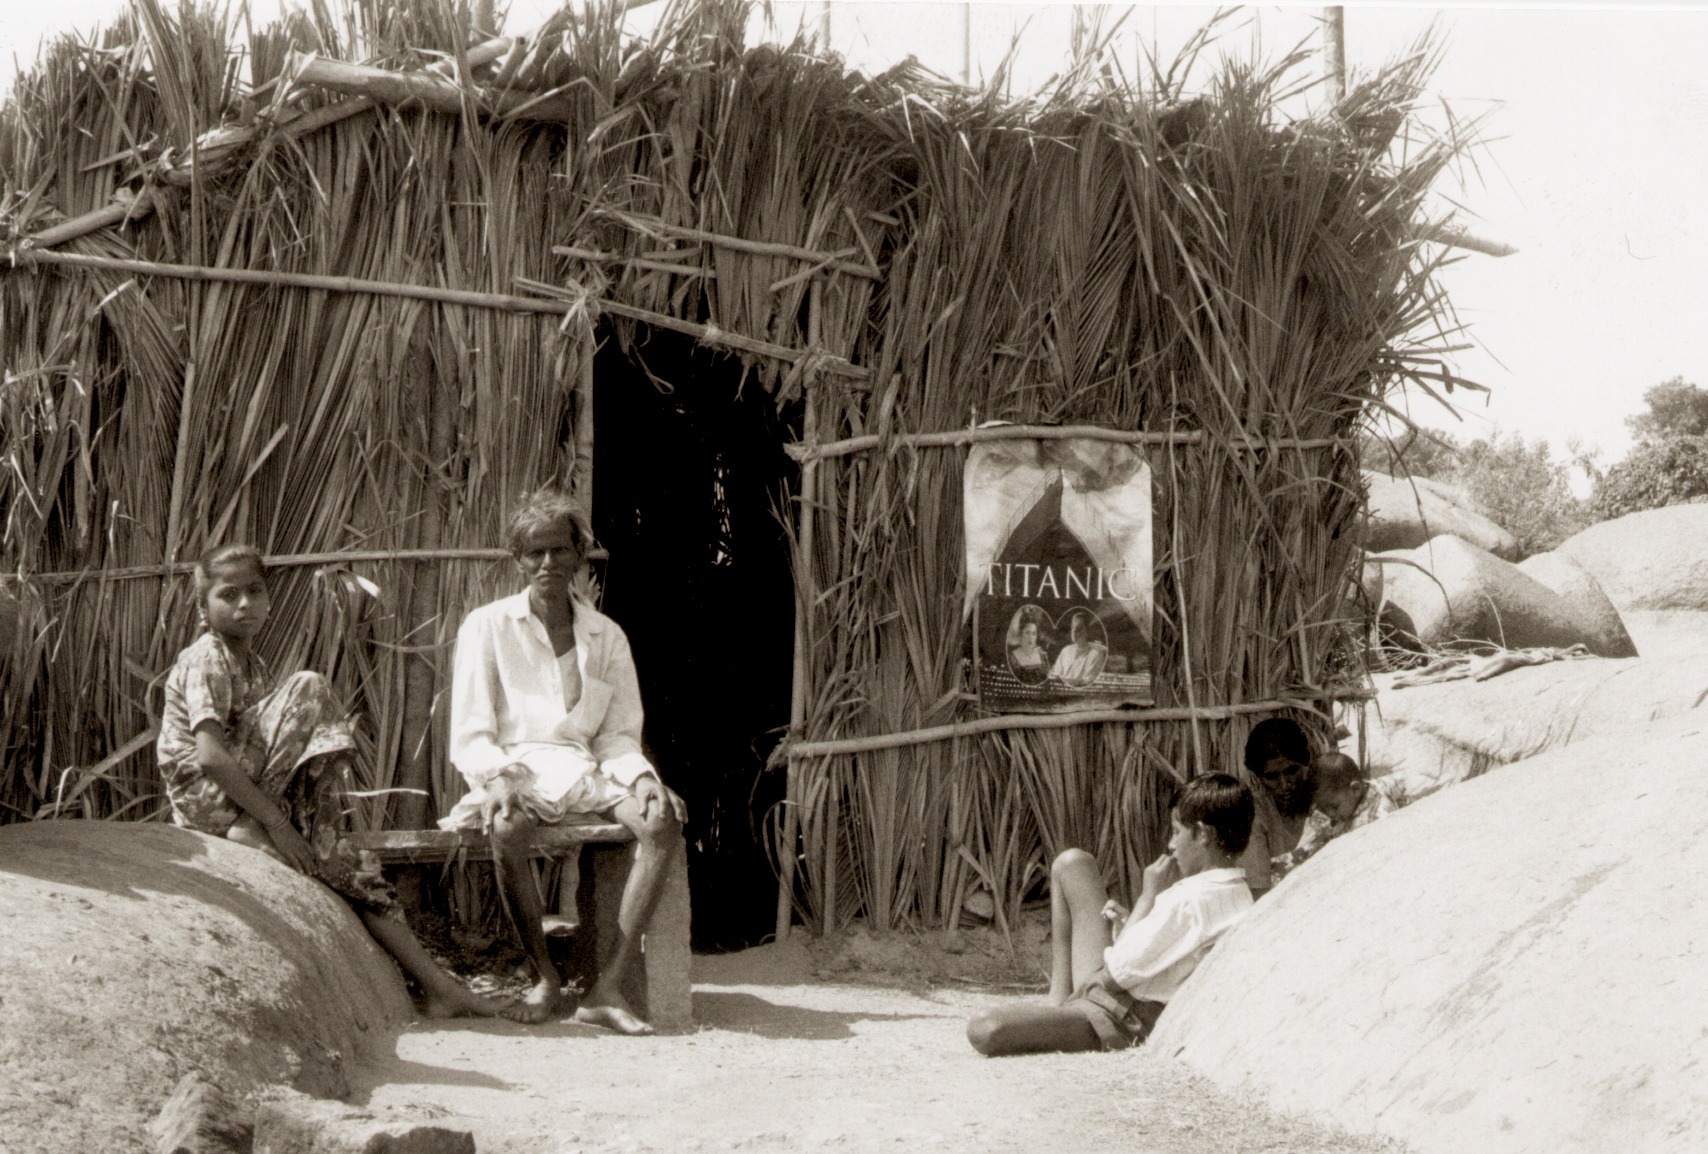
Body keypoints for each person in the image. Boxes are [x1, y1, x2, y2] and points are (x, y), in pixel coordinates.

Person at [156, 544, 506, 1020]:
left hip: (245, 790)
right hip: (206, 795)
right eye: (228, 595)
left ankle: (438, 986)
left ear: (270, 598)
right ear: (204, 607)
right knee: (309, 687)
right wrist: (276, 824)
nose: (244, 605)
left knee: (345, 868)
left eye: (255, 592)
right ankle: (243, 825)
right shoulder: (206, 658)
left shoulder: (252, 664)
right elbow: (211, 757)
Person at [446, 489, 687, 1033]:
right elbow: (471, 732)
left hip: (585, 771)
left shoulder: (606, 636)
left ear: (581, 555)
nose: (547, 564)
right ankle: (545, 976)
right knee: (506, 826)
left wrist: (645, 779)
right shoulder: (487, 627)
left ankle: (606, 987)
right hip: (516, 768)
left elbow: (618, 735)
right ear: (518, 560)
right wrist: (499, 777)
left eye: (559, 551)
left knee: (660, 820)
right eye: (534, 553)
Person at [965, 774, 1254, 1056]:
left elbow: (1116, 971)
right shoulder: (1237, 893)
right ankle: (1056, 1004)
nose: (1170, 844)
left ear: (1203, 834)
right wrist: (1128, 926)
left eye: (1177, 831)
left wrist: (1147, 897)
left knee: (986, 1027)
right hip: (1118, 993)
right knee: (1072, 863)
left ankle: (1060, 1009)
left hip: (1120, 1015)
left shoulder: (1191, 899)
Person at [1235, 717, 1316, 898]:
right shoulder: (1254, 815)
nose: (1285, 784)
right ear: (1259, 778)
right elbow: (1259, 892)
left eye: (1291, 771)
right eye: (1272, 777)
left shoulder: (1324, 796)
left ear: (1305, 765)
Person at [1270, 752, 1368, 882]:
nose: (1331, 814)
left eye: (1334, 807)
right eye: (1324, 808)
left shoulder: (1375, 815)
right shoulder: (1342, 806)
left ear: (1356, 789)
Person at [1048, 611, 1107, 686]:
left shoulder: (1095, 654)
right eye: (1073, 627)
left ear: (1087, 631)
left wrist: (1061, 680)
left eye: (1079, 628)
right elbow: (1055, 674)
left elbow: (1086, 683)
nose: (1074, 631)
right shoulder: (1066, 650)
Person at [1008, 615, 1049, 684]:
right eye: (1027, 633)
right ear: (1021, 634)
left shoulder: (1043, 656)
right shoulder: (1012, 658)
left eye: (1034, 634)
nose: (1031, 638)